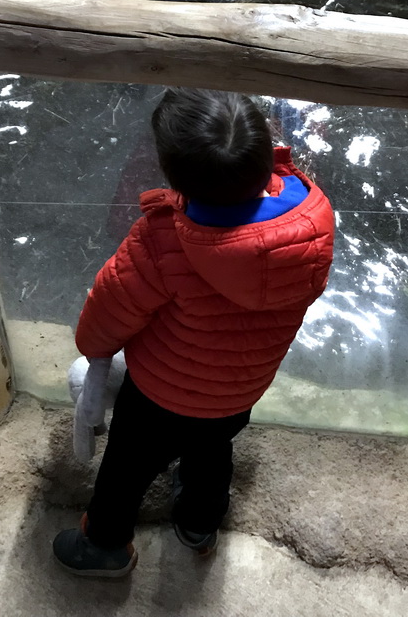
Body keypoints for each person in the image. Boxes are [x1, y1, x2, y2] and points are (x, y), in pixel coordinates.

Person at [53, 87, 335, 577]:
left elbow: (111, 308)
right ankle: (199, 527)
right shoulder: (311, 224)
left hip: (158, 394)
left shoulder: (163, 239)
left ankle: (105, 546)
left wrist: (93, 351)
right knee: (211, 453)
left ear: (172, 176)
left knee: (126, 469)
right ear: (267, 156)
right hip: (239, 391)